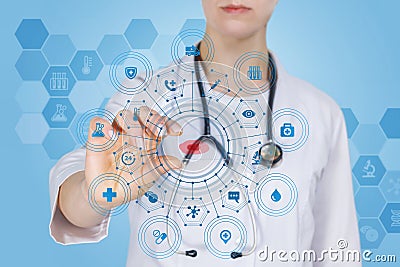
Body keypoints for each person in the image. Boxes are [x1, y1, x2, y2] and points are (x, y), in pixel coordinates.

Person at [49, 0, 361, 266]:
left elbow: (338, 250)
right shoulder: (145, 97)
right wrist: (97, 192)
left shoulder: (320, 113)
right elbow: (75, 200)